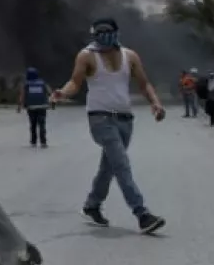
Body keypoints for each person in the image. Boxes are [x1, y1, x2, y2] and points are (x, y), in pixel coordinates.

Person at [51, 17, 165, 234]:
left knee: (109, 167)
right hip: (100, 119)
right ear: (94, 34)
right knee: (121, 164)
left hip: (125, 119)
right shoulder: (87, 56)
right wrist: (63, 93)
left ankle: (92, 205)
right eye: (100, 32)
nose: (105, 36)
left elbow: (144, 83)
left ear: (116, 32)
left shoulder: (129, 56)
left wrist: (155, 104)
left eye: (108, 31)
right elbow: (75, 81)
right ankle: (142, 214)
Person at [15, 66, 51, 148]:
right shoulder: (42, 83)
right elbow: (49, 92)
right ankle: (43, 142)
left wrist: (19, 106)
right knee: (42, 124)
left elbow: (22, 96)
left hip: (31, 107)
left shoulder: (26, 85)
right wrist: (52, 102)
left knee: (33, 125)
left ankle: (33, 141)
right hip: (42, 106)